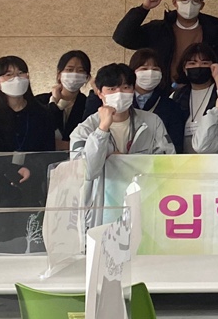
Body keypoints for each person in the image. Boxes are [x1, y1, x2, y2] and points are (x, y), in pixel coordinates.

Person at [0, 55, 60, 247]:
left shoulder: (41, 113)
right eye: (8, 74)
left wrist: (32, 168)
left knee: (23, 243)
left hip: (27, 190)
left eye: (21, 73)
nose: (16, 78)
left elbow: (48, 152)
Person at [69, 63, 177, 220]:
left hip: (145, 203)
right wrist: (102, 129)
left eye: (126, 87)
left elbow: (167, 163)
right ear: (100, 93)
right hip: (100, 210)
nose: (119, 93)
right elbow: (86, 172)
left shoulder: (152, 122)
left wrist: (122, 160)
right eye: (112, 89)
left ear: (133, 90)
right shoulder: (84, 130)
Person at [113, 0, 218, 84]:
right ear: (175, 2)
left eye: (195, 1)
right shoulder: (158, 30)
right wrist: (143, 8)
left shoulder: (214, 34)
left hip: (201, 91)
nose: (189, 4)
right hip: (163, 91)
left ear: (202, 5)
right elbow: (122, 37)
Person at [169, 43, 218, 152]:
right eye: (192, 63)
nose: (198, 66)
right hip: (181, 158)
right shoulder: (177, 96)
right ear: (184, 68)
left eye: (204, 63)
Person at [45, 50, 92, 149]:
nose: (74, 74)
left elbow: (89, 140)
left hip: (76, 157)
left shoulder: (87, 104)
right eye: (69, 70)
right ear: (59, 74)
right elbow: (39, 131)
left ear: (86, 77)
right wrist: (54, 103)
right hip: (44, 157)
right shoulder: (41, 100)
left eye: (80, 71)